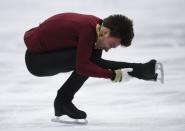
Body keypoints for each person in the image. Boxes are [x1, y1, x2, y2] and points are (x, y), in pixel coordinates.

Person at [24, 12, 157, 120]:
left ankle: (62, 103)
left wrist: (125, 72)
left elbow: (93, 65)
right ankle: (62, 102)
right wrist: (112, 75)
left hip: (50, 54)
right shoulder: (87, 29)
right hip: (37, 61)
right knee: (87, 61)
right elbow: (84, 67)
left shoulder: (98, 29)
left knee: (90, 60)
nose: (108, 50)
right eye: (112, 45)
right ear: (105, 32)